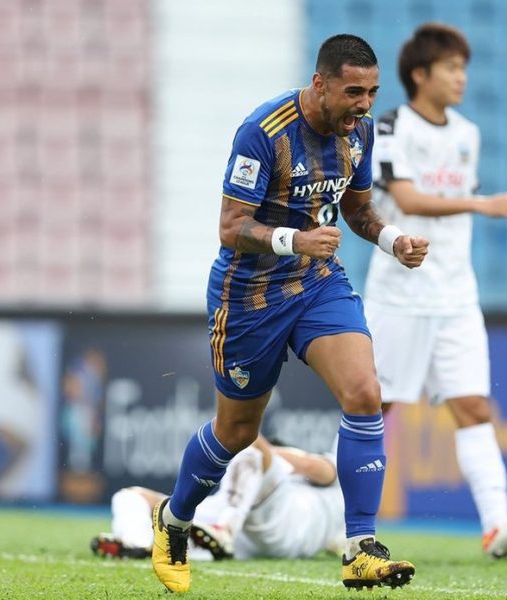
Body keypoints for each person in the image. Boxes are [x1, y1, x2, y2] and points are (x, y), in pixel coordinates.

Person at [150, 34, 430, 594]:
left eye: (373, 92)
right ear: (320, 83)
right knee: (236, 432)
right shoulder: (265, 132)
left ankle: (360, 548)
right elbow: (231, 229)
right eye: (354, 91)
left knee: (365, 392)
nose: (364, 104)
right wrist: (295, 240)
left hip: (317, 284)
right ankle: (174, 520)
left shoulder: (360, 130)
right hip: (248, 296)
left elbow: (356, 209)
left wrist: (392, 240)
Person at [364, 22, 507, 559]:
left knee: (473, 407)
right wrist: (481, 203)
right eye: (451, 68)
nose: (461, 77)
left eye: (464, 68)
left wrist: (476, 204)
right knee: (375, 407)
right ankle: (338, 518)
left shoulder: (467, 133)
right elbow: (406, 197)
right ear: (420, 74)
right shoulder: (392, 126)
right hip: (400, 294)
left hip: (456, 299)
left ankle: (498, 524)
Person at [95, 435, 344, 562]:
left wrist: (272, 452)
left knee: (245, 439)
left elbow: (316, 466)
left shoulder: (310, 474)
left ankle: (225, 529)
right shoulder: (337, 520)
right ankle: (139, 543)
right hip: (250, 528)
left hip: (278, 515)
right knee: (130, 496)